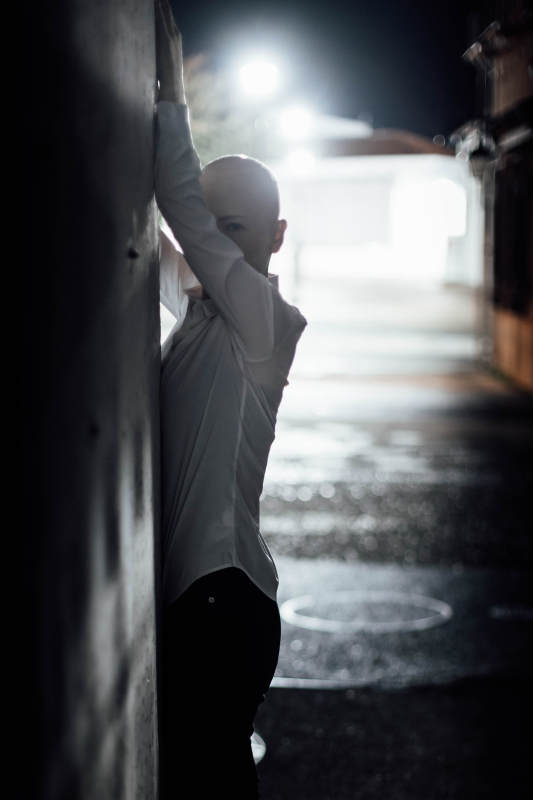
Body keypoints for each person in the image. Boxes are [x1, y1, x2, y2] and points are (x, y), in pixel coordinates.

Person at [155, 1, 307, 797]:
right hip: (207, 599)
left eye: (236, 229)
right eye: (212, 230)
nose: (217, 243)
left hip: (224, 599)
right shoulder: (199, 313)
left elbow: (178, 206)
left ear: (276, 237)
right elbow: (158, 241)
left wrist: (169, 88)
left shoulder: (265, 321)